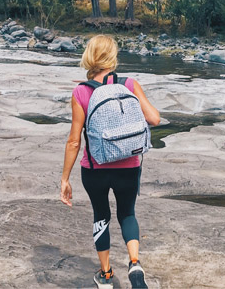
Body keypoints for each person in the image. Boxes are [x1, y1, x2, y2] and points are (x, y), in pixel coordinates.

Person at [60, 35, 161, 289]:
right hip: (129, 166)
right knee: (127, 213)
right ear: (112, 57)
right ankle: (135, 263)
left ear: (89, 56)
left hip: (95, 169)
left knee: (101, 215)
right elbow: (155, 119)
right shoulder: (129, 84)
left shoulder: (81, 92)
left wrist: (65, 179)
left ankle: (105, 275)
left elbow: (74, 141)